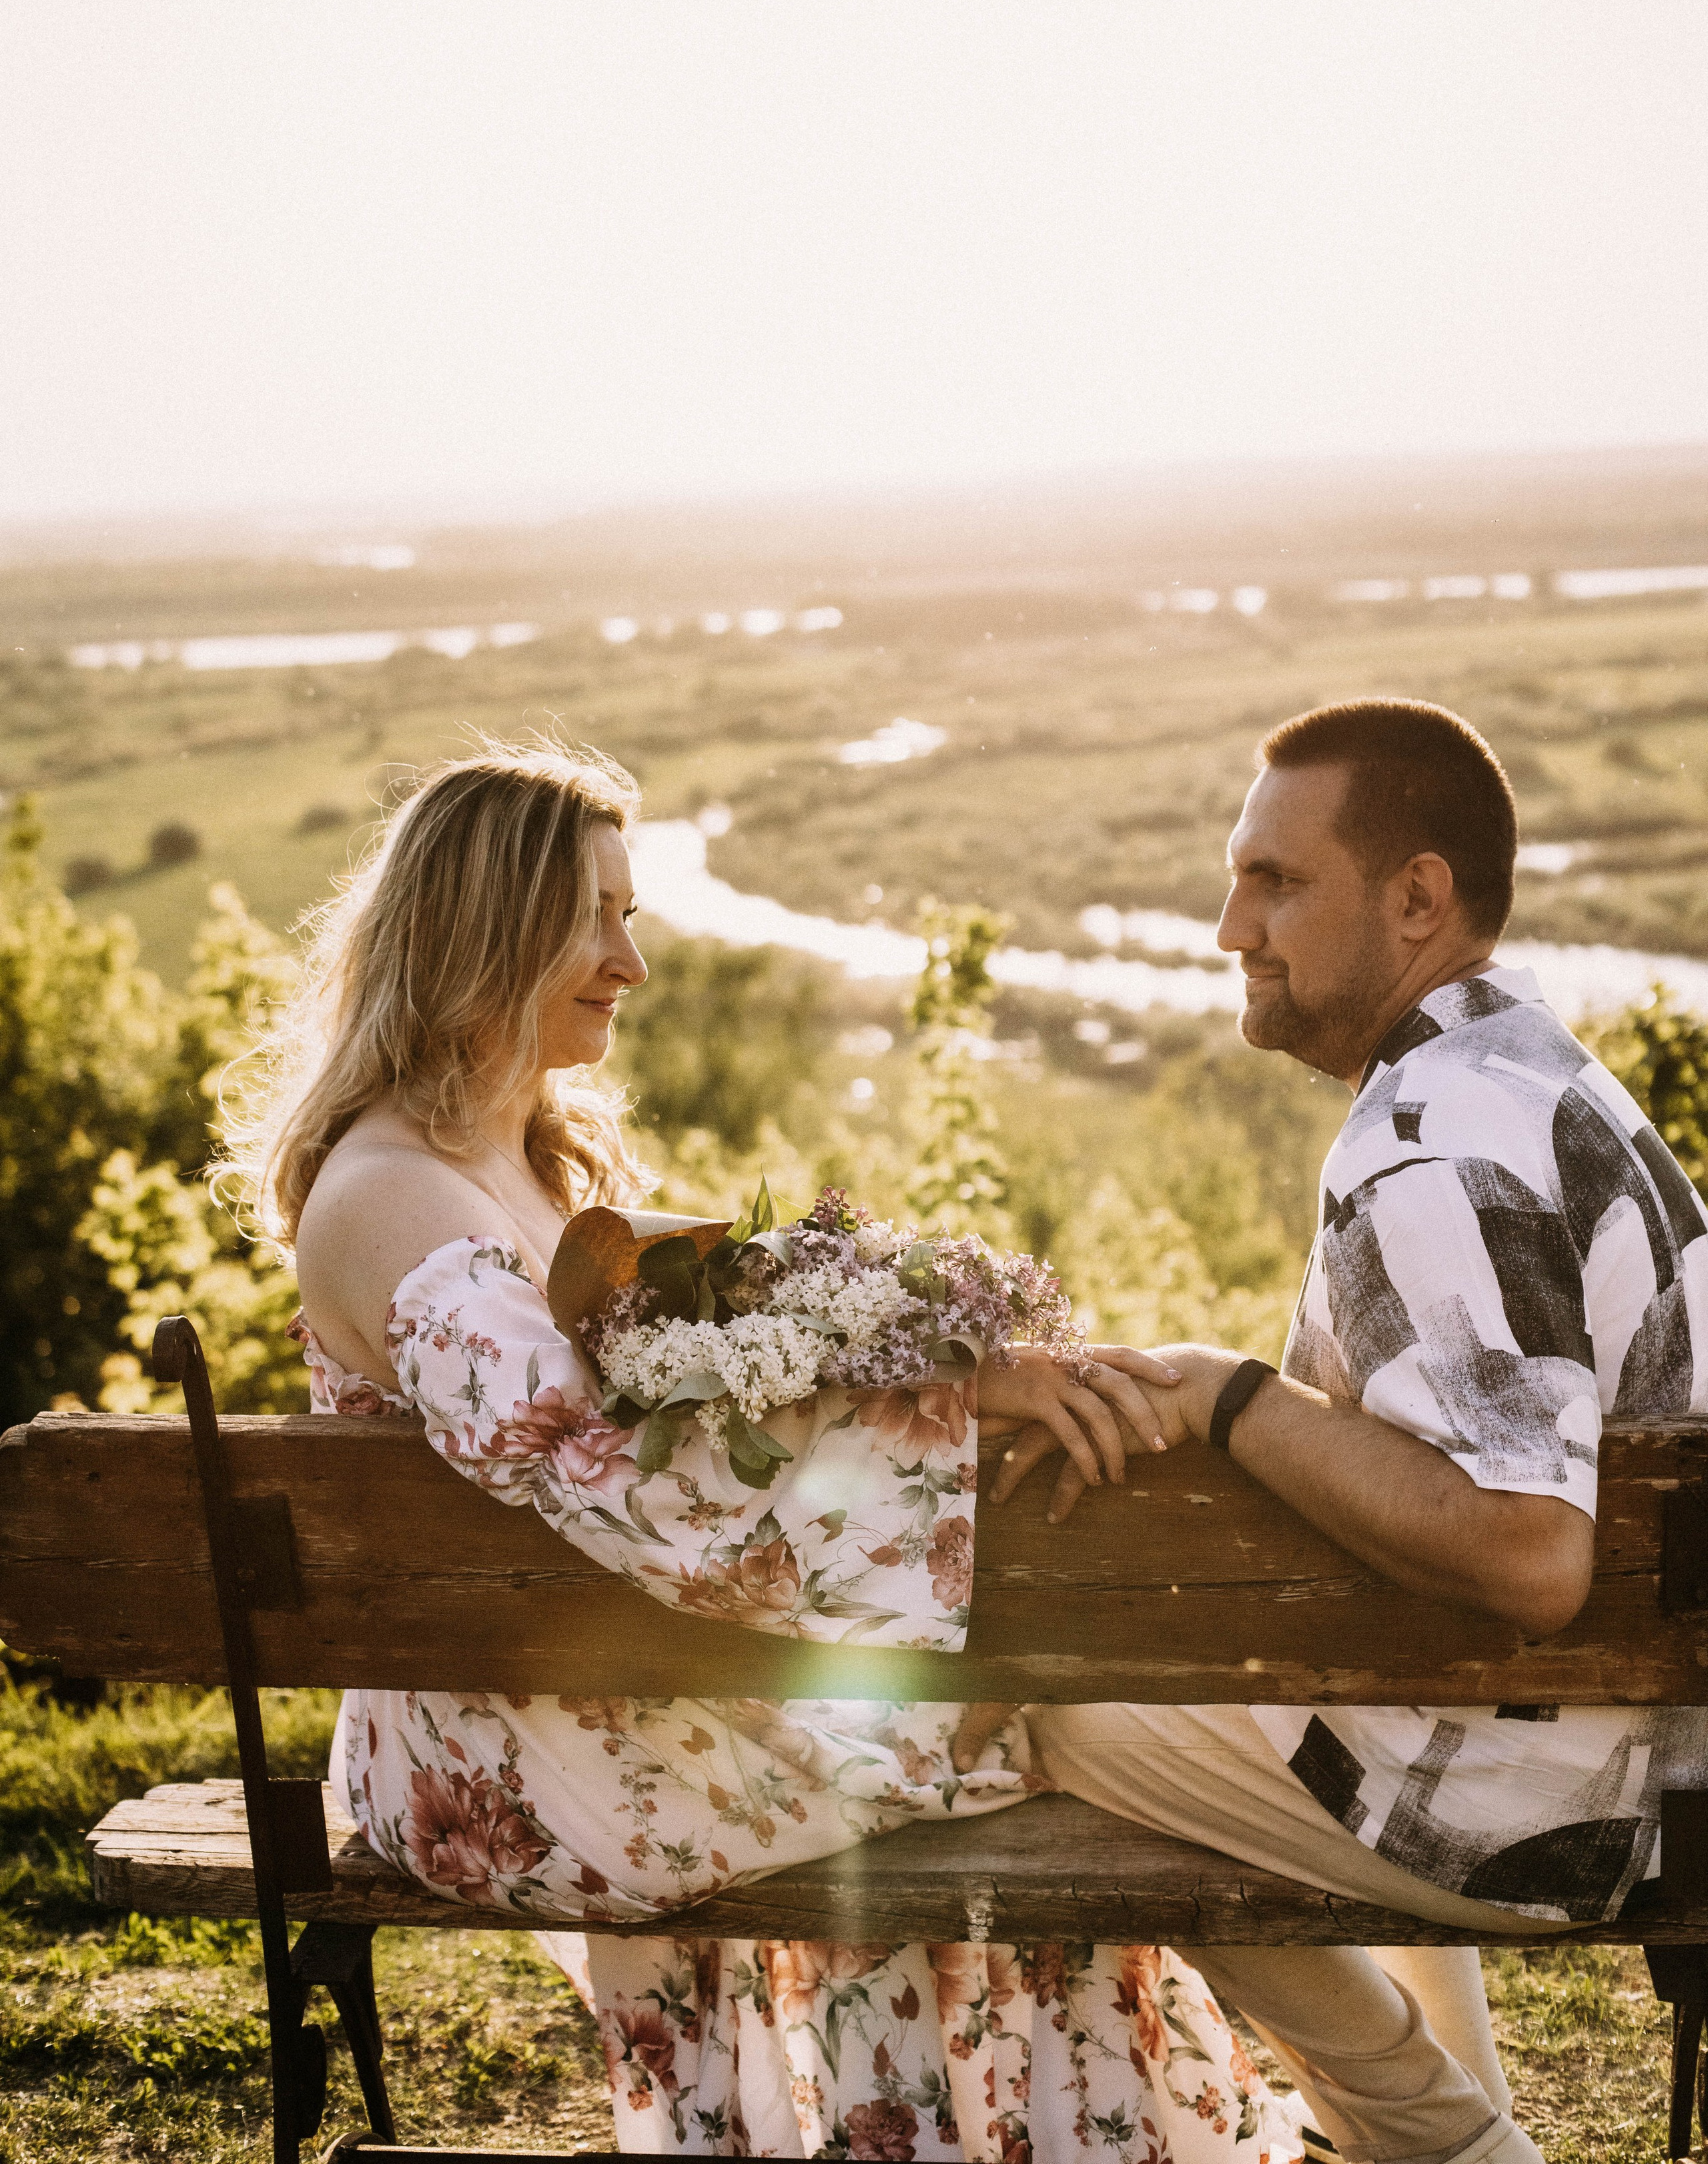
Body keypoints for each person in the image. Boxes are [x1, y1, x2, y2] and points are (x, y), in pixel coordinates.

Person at [229, 736, 1308, 2163]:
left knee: (997, 1719)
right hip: (502, 1737)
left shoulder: (525, 1163)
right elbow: (620, 1477)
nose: (632, 960)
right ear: (487, 928)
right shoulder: (384, 1200)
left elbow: (707, 1386)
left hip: (589, 1669)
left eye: (632, 918)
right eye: (597, 918)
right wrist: (952, 1412)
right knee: (999, 1728)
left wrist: (955, 1364)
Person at [968, 695, 1708, 2164]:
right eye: (1236, 876)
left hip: (1575, 1804)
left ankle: (1443, 2145)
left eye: (1274, 882)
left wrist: (1230, 1396)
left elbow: (1527, 1557)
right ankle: (1443, 2130)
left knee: (1051, 1713)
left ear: (1415, 899)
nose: (1227, 924)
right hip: (1630, 1750)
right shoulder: (1524, 1070)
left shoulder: (1428, 1148)